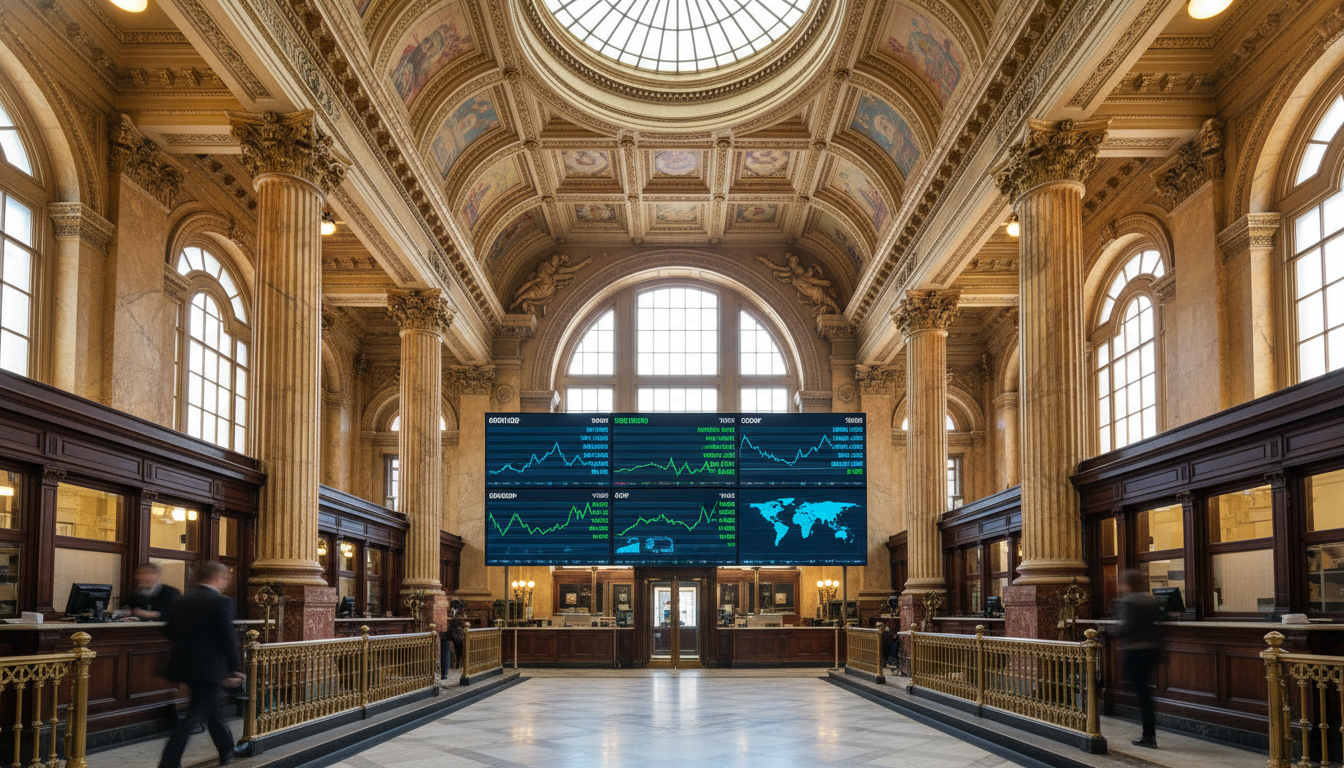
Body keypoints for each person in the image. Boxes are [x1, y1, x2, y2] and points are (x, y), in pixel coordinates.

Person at [158, 562, 245, 768]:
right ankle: (168, 762)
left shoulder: (182, 600)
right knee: (195, 714)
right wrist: (236, 668)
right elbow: (228, 638)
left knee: (213, 709)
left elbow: (169, 631)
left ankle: (226, 749)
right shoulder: (221, 602)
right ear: (218, 578)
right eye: (225, 579)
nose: (225, 583)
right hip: (208, 667)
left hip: (184, 665)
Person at [1114, 570, 1160, 749]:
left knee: (1141, 695)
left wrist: (1107, 630)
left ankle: (1148, 735)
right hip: (1150, 651)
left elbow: (1126, 628)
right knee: (1145, 695)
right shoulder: (1150, 601)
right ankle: (1149, 733)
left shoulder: (1128, 602)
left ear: (1127, 584)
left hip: (1134, 652)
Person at [114, 563, 181, 621]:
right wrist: (127, 612)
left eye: (145, 573)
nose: (140, 576)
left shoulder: (171, 593)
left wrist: (153, 614)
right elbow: (126, 607)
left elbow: (178, 614)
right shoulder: (136, 593)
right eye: (139, 573)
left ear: (156, 575)